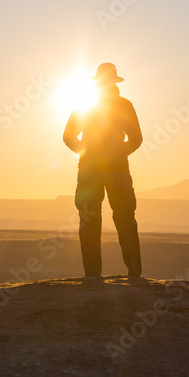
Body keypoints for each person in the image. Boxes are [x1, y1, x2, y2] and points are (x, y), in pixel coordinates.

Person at [63, 63, 143, 277]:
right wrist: (117, 154)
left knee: (90, 220)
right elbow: (136, 139)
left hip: (91, 170)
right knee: (125, 218)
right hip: (116, 171)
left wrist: (87, 153)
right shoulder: (124, 105)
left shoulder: (85, 105)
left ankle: (92, 276)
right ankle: (134, 274)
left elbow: (68, 136)